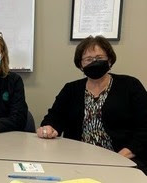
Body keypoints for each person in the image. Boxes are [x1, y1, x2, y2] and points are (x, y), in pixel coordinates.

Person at [37, 35, 147, 174]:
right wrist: (48, 128)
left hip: (123, 159)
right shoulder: (71, 89)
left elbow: (144, 129)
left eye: (99, 58)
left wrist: (119, 157)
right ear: (80, 64)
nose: (94, 63)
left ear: (110, 60)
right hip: (78, 160)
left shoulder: (130, 85)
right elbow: (54, 118)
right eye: (88, 59)